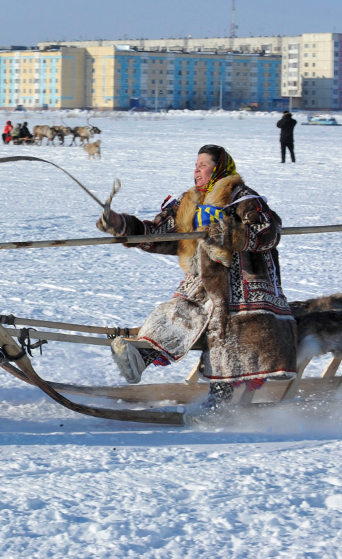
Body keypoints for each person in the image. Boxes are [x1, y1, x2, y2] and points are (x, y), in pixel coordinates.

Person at [97, 145, 296, 410]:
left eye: (203, 164)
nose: (197, 169)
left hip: (243, 285)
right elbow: (159, 232)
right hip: (203, 280)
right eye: (196, 164)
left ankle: (220, 404)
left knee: (226, 335)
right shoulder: (189, 202)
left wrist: (233, 235)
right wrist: (122, 226)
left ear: (219, 168)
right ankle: (140, 356)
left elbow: (268, 231)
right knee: (175, 312)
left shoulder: (242, 197)